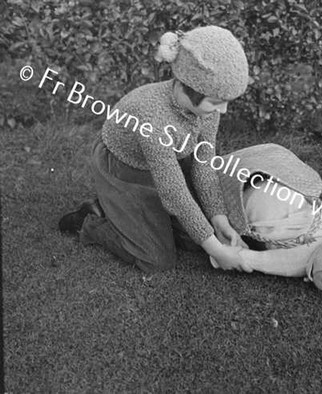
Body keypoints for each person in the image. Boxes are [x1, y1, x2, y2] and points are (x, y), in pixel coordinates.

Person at [58, 25, 250, 273]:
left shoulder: (208, 106)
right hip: (123, 166)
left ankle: (132, 214)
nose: (223, 110)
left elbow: (204, 166)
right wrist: (217, 251)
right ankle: (90, 220)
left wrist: (218, 219)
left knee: (197, 240)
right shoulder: (152, 116)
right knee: (156, 259)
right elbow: (174, 192)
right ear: (186, 87)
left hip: (167, 160)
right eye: (216, 103)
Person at [212, 144, 322, 295]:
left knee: (296, 208)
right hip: (252, 202)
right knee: (263, 214)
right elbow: (268, 261)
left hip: (277, 188)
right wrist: (230, 256)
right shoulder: (299, 262)